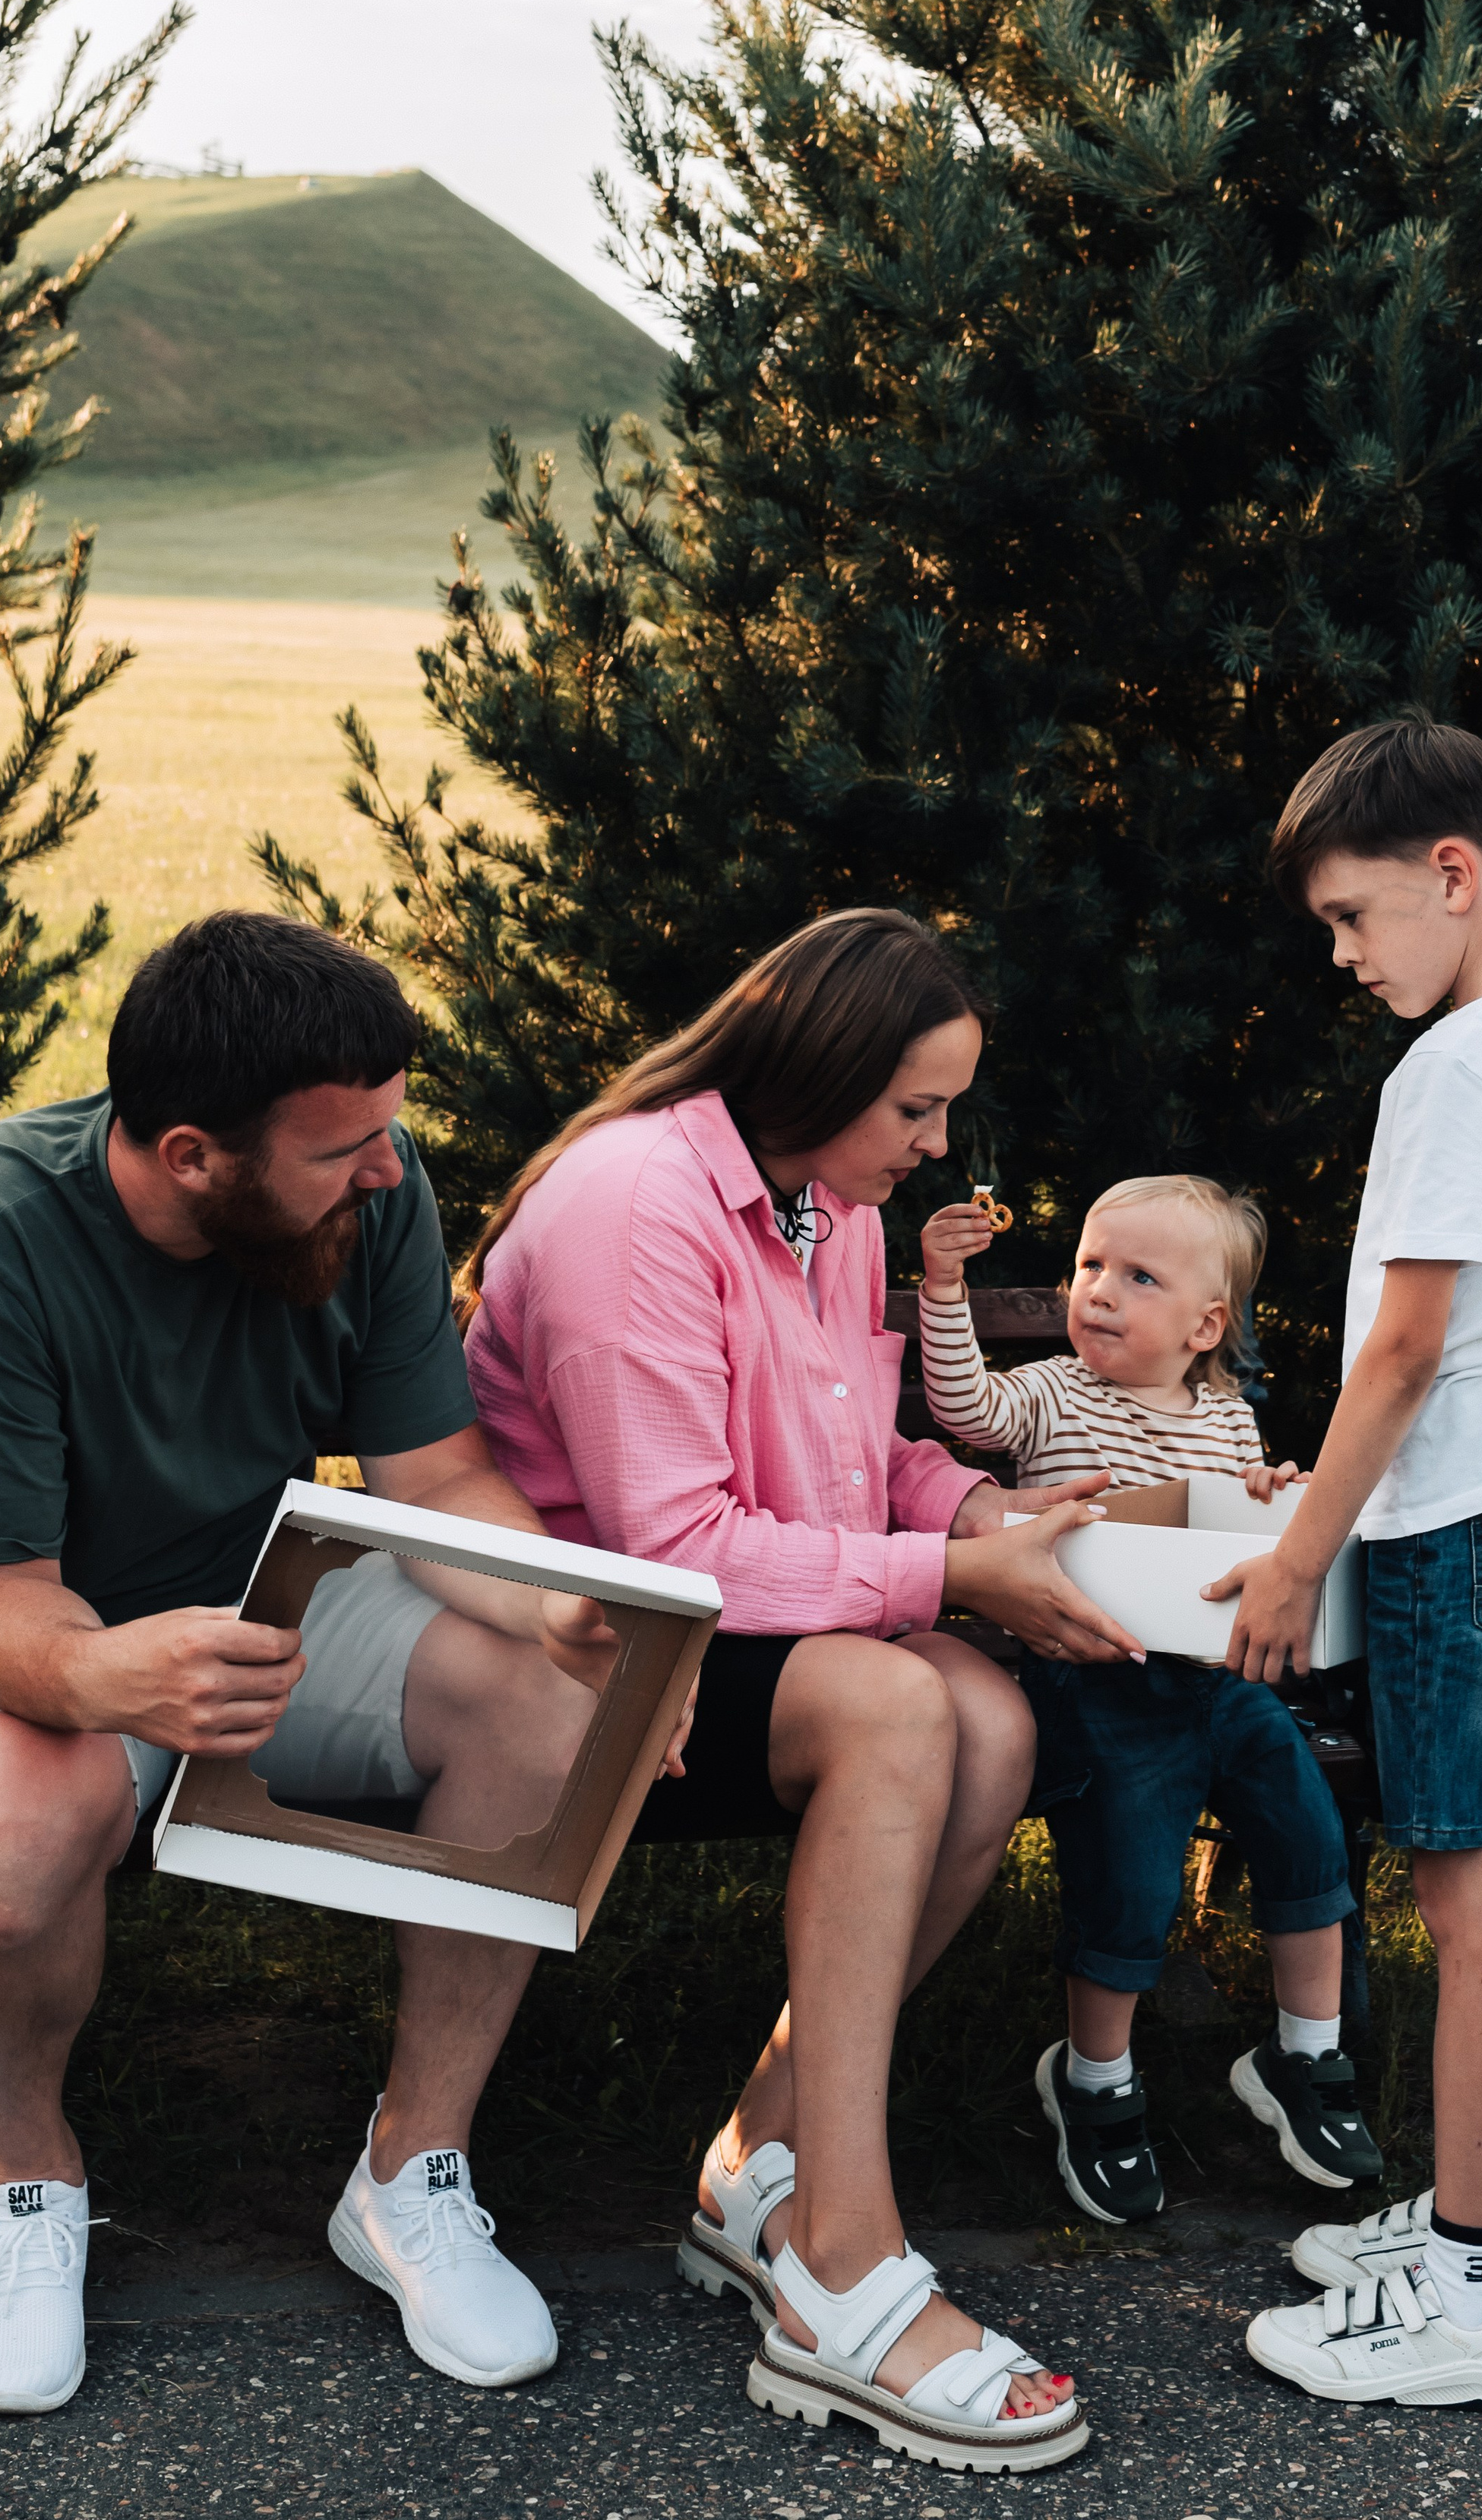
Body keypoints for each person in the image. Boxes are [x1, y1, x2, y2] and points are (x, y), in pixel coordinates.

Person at [0, 913, 639, 2415]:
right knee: (17, 1832)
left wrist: (550, 1607)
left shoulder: (364, 1193)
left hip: (267, 1601)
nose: (390, 1171)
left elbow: (435, 1474)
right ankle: (23, 2179)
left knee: (546, 1701)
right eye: (345, 1148)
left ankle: (412, 2168)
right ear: (195, 1152)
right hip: (9, 1623)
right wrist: (106, 1684)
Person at [463, 909, 1139, 2473]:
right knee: (911, 1706)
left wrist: (973, 1515)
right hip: (592, 1656)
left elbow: (858, 1449)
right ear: (818, 1070)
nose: (937, 1142)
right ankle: (839, 2261)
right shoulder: (640, 1203)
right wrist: (948, 1582)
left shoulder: (816, 1204)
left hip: (745, 1623)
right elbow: (672, 1547)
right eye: (914, 1107)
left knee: (989, 1717)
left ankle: (756, 2157)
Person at [1213, 722, 1482, 2411]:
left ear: (1451, 875)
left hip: (1457, 1509)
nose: (1342, 952)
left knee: (1460, 1887)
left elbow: (1402, 1351)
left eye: (1353, 915)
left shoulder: (1448, 1069)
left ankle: (1457, 2306)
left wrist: (1301, 1553)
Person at [918, 1173, 1382, 2225]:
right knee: (1130, 1874)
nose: (1099, 1291)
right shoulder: (1051, 1392)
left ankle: (1306, 2058)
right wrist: (945, 1285)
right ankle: (1094, 2078)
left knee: (1306, 1823)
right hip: (1096, 1678)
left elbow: (1242, 1526)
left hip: (1217, 1681)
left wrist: (1274, 1494)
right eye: (1089, 1266)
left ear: (1205, 1322)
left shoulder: (1224, 1420)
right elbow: (963, 1406)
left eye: (1138, 1275)